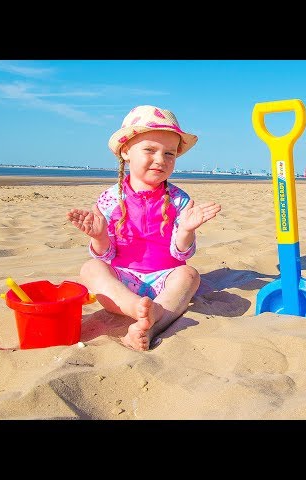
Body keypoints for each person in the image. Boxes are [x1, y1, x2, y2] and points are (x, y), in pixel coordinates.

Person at [67, 105, 221, 351]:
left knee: (189, 275)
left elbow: (180, 254)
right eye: (150, 150)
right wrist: (99, 236)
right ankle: (139, 310)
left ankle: (150, 325)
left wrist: (186, 231)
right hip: (123, 281)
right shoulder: (109, 199)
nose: (161, 160)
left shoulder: (179, 200)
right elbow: (106, 255)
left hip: (164, 279)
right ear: (126, 151)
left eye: (169, 154)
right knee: (91, 268)